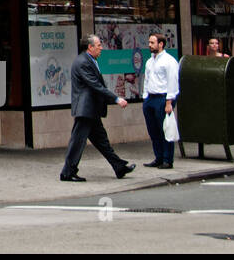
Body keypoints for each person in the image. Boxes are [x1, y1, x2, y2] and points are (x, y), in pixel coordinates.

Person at [60, 35, 134, 182]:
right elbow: (95, 85)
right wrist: (116, 98)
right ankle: (67, 173)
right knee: (78, 141)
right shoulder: (83, 62)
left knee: (102, 141)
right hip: (85, 109)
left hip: (91, 109)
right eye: (98, 45)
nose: (101, 48)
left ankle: (119, 166)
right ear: (90, 47)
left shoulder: (90, 60)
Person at [141, 32, 179, 170]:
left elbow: (172, 82)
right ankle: (158, 157)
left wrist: (169, 102)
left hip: (163, 98)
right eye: (149, 42)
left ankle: (167, 160)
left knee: (165, 130)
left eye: (152, 43)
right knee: (153, 130)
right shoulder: (149, 61)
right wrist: (145, 97)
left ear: (161, 44)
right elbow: (146, 80)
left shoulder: (169, 61)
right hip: (150, 98)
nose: (149, 45)